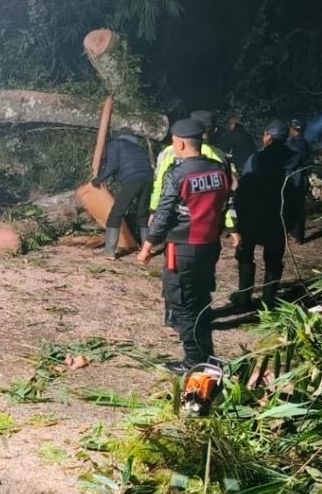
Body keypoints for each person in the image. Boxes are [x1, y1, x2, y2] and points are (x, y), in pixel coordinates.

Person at [137, 119, 232, 374]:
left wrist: (147, 247)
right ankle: (205, 354)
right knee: (201, 298)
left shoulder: (178, 174)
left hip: (182, 248)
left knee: (181, 303)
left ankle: (193, 361)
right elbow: (225, 203)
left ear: (179, 143)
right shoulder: (220, 168)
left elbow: (164, 214)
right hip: (210, 245)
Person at [231, 120, 298, 310]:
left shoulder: (256, 158)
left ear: (268, 136)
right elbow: (299, 190)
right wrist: (292, 219)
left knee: (245, 255)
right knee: (274, 258)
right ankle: (268, 301)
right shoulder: (295, 159)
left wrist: (239, 216)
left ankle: (244, 298)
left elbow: (244, 187)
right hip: (278, 216)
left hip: (253, 214)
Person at [91, 127, 154, 258]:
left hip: (132, 179)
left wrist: (99, 179)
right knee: (142, 215)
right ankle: (146, 249)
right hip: (149, 179)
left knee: (116, 214)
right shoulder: (138, 147)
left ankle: (108, 252)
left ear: (119, 136)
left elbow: (112, 166)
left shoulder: (116, 144)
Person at [285, 119, 310, 243]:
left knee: (296, 207)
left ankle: (297, 235)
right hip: (296, 179)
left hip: (296, 180)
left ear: (294, 129)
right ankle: (294, 233)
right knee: (293, 207)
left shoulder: (297, 144)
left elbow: (292, 162)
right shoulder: (300, 142)